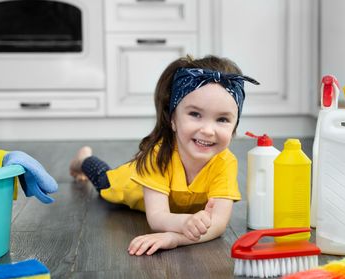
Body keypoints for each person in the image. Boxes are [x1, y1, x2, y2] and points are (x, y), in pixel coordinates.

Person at [69, 55, 259, 255]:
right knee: (103, 179)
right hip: (126, 185)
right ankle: (82, 159)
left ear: (235, 127)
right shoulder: (158, 155)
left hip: (176, 214)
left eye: (222, 119)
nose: (208, 130)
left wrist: (175, 238)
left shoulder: (225, 162)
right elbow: (158, 216)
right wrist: (185, 221)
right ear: (173, 119)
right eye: (195, 114)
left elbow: (218, 224)